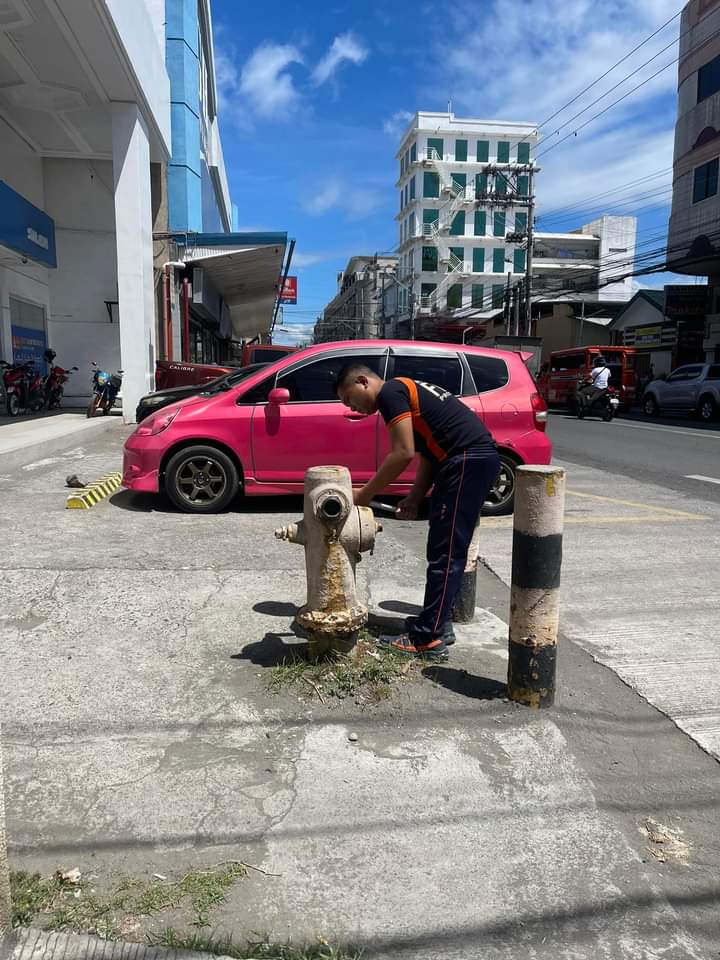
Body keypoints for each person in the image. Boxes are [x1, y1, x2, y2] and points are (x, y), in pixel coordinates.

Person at [335, 364, 500, 661]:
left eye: (350, 399)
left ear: (362, 381)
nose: (354, 408)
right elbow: (426, 453)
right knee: (442, 548)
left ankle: (428, 638)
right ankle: (438, 624)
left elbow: (402, 452)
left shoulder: (389, 392)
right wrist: (413, 496)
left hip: (466, 460)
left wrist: (365, 494)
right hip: (462, 460)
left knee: (446, 552)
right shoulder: (406, 390)